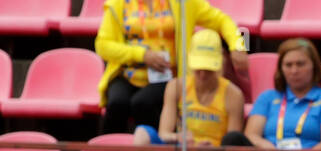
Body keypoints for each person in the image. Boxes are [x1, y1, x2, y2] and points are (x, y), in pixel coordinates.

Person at [101, 28, 244, 151]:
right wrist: (181, 139)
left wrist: (209, 148)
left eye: (208, 69)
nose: (202, 74)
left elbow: (232, 146)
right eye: (198, 68)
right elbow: (164, 133)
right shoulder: (177, 87)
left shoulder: (233, 95)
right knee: (142, 133)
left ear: (220, 64)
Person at [96, 0, 248, 135]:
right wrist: (142, 55)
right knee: (117, 103)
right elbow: (102, 45)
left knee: (142, 102)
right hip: (126, 74)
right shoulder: (117, 3)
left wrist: (238, 46)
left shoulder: (185, 3)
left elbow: (223, 20)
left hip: (167, 75)